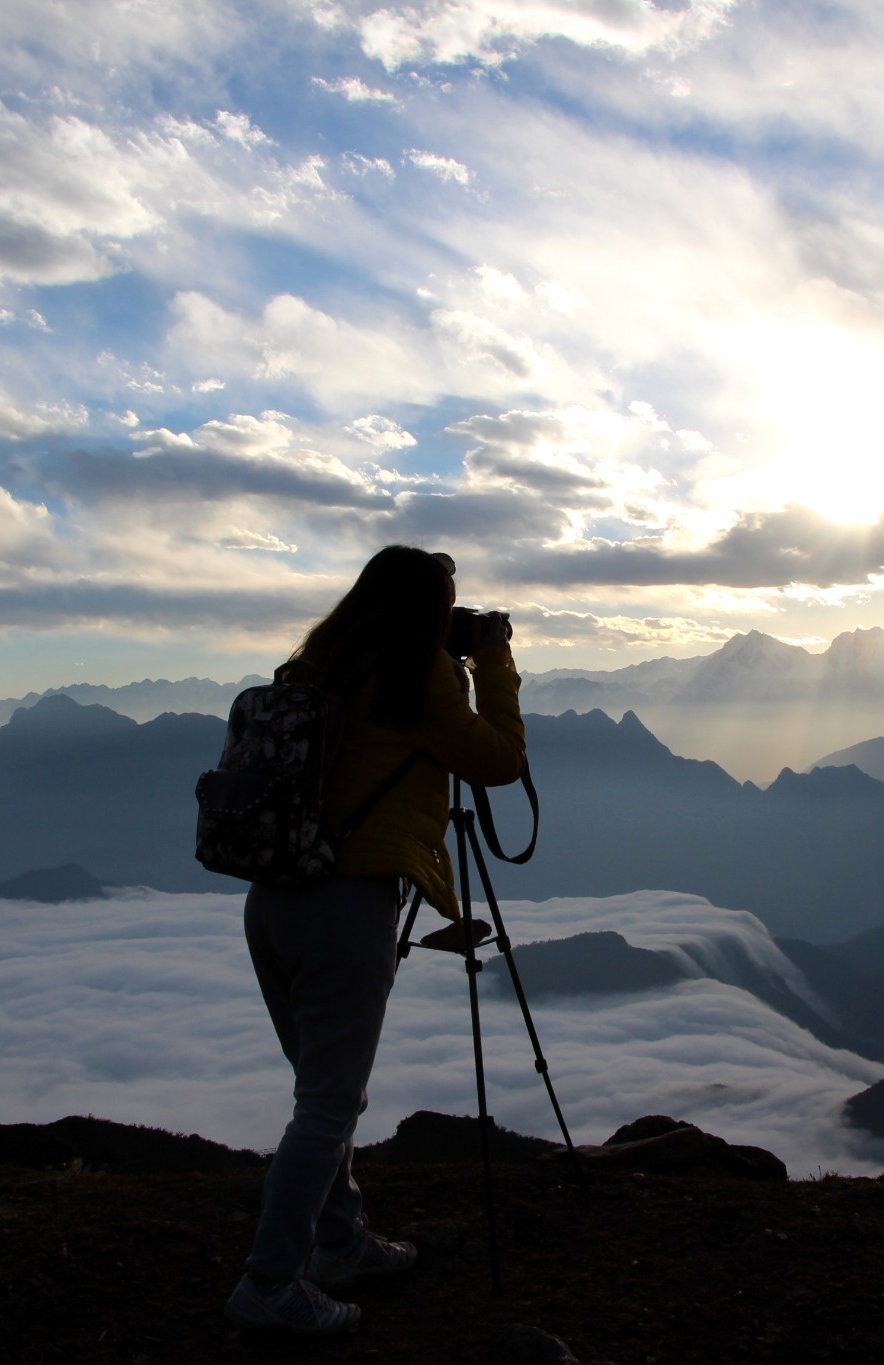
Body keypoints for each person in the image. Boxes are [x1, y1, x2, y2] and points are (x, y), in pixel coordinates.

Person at [224, 545, 526, 1334]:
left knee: (320, 1097)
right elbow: (498, 760)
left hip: (272, 902)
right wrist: (493, 662)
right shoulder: (418, 678)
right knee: (327, 1107)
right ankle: (269, 1285)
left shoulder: (315, 666)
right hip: (346, 907)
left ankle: (339, 1240)